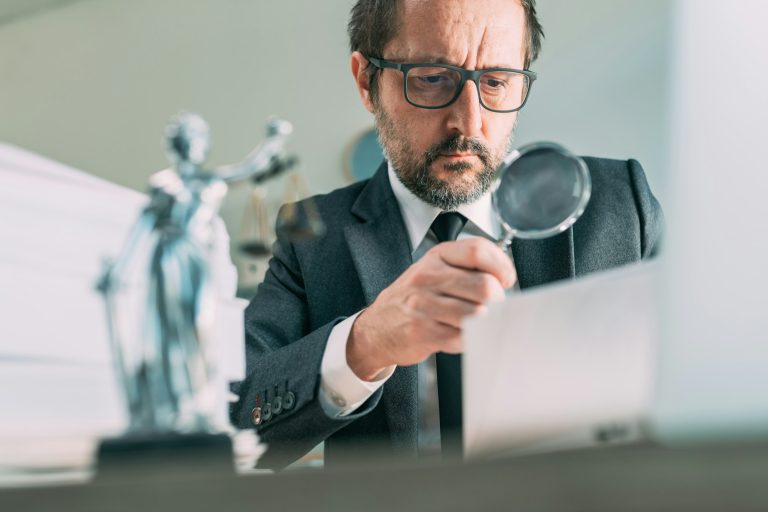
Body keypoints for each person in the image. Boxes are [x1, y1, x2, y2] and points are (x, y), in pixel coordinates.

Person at [231, 0, 663, 469]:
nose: (469, 123)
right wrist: (365, 343)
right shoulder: (311, 237)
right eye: (433, 79)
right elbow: (235, 422)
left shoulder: (622, 205)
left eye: (496, 81)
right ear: (366, 82)